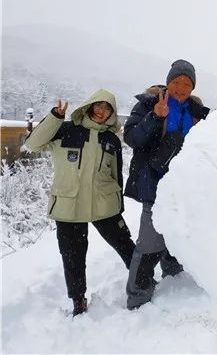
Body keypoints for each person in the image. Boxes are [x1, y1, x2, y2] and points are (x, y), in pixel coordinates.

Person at [25, 90, 135, 316]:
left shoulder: (111, 140)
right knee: (72, 256)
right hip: (69, 205)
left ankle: (142, 281)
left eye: (107, 108)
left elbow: (116, 175)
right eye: (98, 105)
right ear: (89, 106)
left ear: (111, 114)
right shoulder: (65, 130)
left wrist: (119, 205)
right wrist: (55, 117)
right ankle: (78, 300)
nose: (101, 111)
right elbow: (33, 144)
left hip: (104, 204)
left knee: (125, 244)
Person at [124, 59, 210, 310]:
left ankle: (174, 275)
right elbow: (132, 138)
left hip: (183, 186)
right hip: (154, 183)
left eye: (187, 83)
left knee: (177, 231)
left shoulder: (197, 112)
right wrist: (154, 117)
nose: (181, 88)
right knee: (150, 242)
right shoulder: (149, 103)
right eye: (176, 82)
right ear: (168, 81)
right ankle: (138, 295)